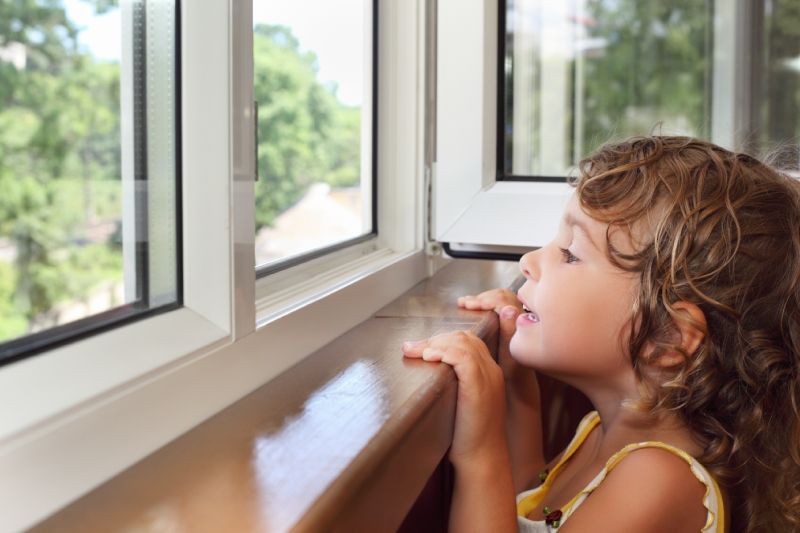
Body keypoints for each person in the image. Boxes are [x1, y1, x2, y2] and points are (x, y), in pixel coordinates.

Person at [402, 136, 800, 532]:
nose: (528, 261)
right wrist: (514, 379)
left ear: (666, 339)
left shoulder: (657, 480)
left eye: (570, 254)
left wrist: (478, 455)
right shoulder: (600, 433)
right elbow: (529, 500)